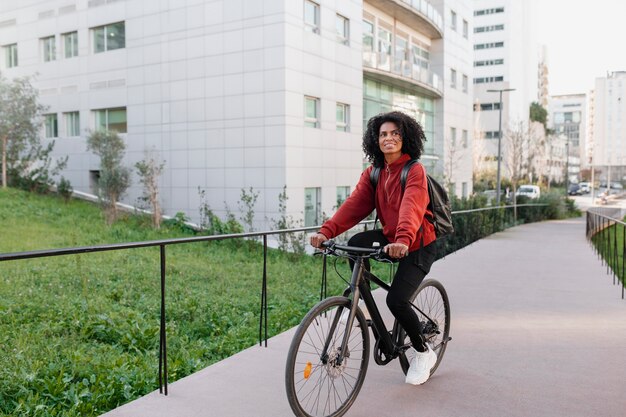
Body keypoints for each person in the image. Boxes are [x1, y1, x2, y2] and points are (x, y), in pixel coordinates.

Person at [310, 111, 439, 386]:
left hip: (417, 242)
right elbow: (354, 206)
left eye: (395, 133)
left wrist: (403, 240)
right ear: (375, 140)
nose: (388, 138)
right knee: (355, 244)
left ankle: (422, 352)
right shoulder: (375, 172)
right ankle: (361, 299)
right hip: (393, 238)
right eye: (383, 134)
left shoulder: (414, 170)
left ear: (405, 138)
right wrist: (326, 232)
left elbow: (411, 207)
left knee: (396, 300)